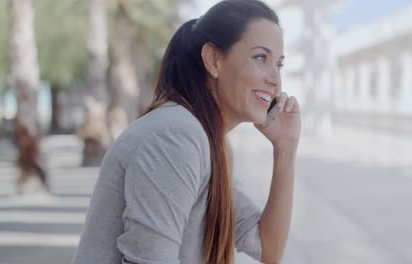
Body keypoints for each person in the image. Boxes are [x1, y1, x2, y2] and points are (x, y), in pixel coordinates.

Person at [71, 0, 300, 263]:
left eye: (278, 64)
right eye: (261, 57)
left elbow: (267, 248)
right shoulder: (175, 136)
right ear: (213, 60)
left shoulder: (211, 142)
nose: (275, 79)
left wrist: (286, 147)